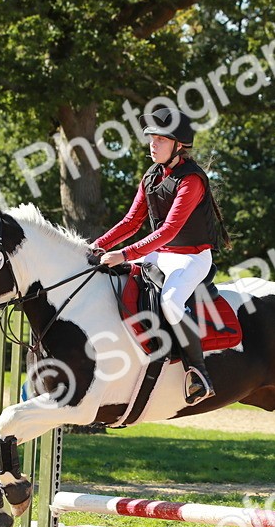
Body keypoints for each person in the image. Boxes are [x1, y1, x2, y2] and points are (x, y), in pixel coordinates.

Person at [92, 107, 224, 405]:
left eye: (161, 139)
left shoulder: (192, 181)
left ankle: (199, 373)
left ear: (179, 145)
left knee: (171, 301)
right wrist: (96, 247)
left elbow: (168, 230)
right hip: (160, 254)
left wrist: (124, 254)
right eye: (151, 138)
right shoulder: (151, 175)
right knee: (113, 280)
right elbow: (131, 222)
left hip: (192, 257)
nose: (153, 144)